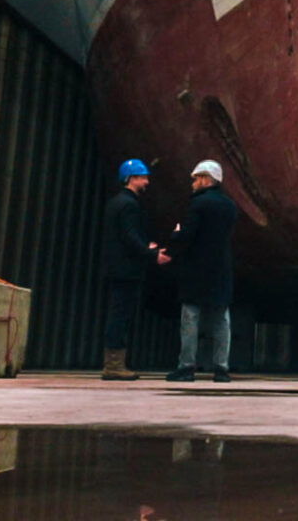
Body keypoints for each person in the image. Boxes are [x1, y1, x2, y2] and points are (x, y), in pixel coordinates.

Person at [166, 159, 238, 382]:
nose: (193, 183)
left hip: (196, 269)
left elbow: (188, 236)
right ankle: (221, 368)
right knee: (221, 319)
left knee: (190, 317)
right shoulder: (230, 206)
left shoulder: (197, 204)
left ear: (206, 179)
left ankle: (187, 367)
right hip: (221, 268)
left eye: (196, 178)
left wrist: (176, 234)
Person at [101, 158, 169, 380]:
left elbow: (124, 236)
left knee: (118, 313)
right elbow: (130, 237)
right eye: (143, 177)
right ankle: (113, 366)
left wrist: (144, 246)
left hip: (117, 267)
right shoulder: (129, 204)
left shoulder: (116, 202)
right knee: (120, 315)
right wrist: (151, 254)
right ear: (131, 179)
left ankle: (114, 363)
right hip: (126, 269)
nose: (147, 181)